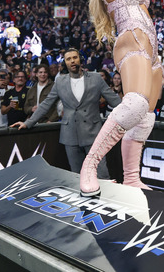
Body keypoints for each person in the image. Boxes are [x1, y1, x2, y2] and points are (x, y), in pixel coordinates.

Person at [67, 0, 164, 196]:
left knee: (146, 117)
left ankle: (132, 178)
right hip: (132, 38)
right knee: (134, 104)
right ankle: (90, 166)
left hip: (151, 46)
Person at [13, 49, 122, 186]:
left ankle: (109, 200)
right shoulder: (60, 82)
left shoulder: (95, 78)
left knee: (102, 174)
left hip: (93, 133)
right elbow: (46, 104)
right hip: (70, 135)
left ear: (80, 59)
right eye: (68, 59)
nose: (72, 61)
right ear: (65, 62)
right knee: (76, 176)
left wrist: (132, 115)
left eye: (75, 57)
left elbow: (115, 101)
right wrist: (28, 123)